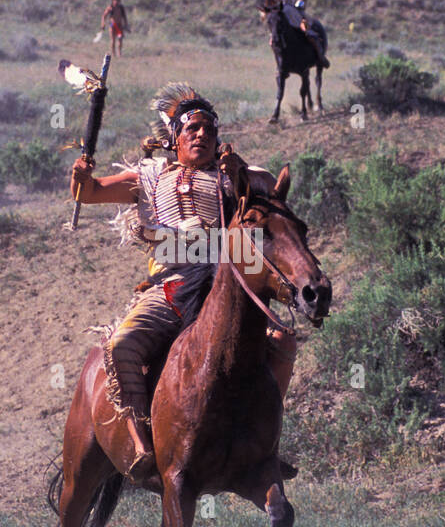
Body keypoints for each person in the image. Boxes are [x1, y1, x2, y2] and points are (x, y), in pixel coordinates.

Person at [68, 85, 298, 480]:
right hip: (171, 285)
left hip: (224, 284)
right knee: (122, 346)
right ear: (174, 137)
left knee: (283, 342)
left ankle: (265, 447)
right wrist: (80, 177)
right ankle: (141, 442)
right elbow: (88, 194)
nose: (202, 135)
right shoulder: (149, 175)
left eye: (209, 129)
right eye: (192, 128)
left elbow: (274, 201)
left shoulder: (238, 176)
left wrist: (239, 174)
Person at [273, 0, 329, 68]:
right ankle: (280, 63)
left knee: (308, 33)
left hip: (297, 13)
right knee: (273, 37)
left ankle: (320, 57)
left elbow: (302, 2)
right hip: (283, 14)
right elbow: (274, 0)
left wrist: (297, 4)